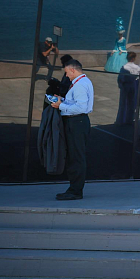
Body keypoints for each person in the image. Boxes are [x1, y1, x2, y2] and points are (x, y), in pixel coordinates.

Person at [49, 60, 94, 200]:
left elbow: (81, 108)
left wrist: (60, 106)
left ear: (73, 70)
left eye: (67, 72)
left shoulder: (80, 85)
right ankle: (74, 189)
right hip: (78, 122)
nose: (66, 76)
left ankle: (75, 191)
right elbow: (77, 104)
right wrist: (62, 100)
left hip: (76, 122)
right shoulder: (83, 82)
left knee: (76, 157)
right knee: (75, 156)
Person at [116, 51, 140, 125]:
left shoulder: (124, 67)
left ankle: (122, 119)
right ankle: (129, 119)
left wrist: (120, 85)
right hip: (133, 85)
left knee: (123, 103)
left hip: (125, 85)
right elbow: (138, 78)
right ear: (133, 58)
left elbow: (120, 78)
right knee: (132, 102)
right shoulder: (137, 67)